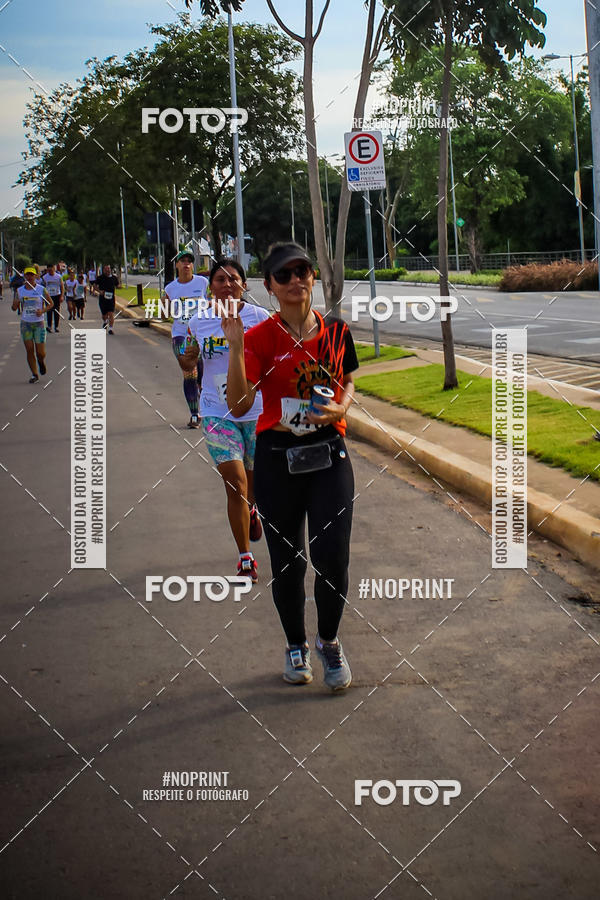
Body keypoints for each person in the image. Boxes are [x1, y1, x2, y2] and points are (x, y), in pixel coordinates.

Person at [222, 242, 358, 691]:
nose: (296, 280)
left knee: (333, 559)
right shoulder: (260, 337)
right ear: (271, 287)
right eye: (285, 275)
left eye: (303, 271)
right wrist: (237, 349)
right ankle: (296, 644)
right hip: (278, 458)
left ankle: (329, 640)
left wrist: (341, 409)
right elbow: (240, 403)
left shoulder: (337, 331)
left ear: (314, 279)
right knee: (288, 564)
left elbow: (349, 379)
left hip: (328, 455)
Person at [183, 258, 269, 583]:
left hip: (256, 410)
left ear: (244, 285)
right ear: (211, 287)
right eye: (220, 279)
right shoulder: (200, 321)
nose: (227, 283)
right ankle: (245, 557)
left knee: (253, 481)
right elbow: (191, 357)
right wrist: (186, 360)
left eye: (234, 278)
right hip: (217, 412)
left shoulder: (259, 318)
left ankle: (253, 509)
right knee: (235, 481)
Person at [164, 250, 208, 428]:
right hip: (181, 336)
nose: (186, 264)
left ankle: (207, 409)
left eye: (189, 261)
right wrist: (164, 308)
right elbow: (165, 312)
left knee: (203, 377)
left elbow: (212, 302)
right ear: (177, 265)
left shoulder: (203, 283)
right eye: (182, 261)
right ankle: (195, 414)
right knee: (190, 372)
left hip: (202, 335)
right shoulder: (170, 288)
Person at [12, 266, 53, 382]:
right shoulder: (19, 291)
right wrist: (15, 304)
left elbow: (51, 304)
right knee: (29, 350)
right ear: (25, 276)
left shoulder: (41, 290)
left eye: (32, 275)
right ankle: (34, 374)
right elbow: (14, 308)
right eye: (27, 275)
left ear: (36, 276)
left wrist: (42, 311)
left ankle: (41, 361)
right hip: (26, 324)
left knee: (40, 353)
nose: (30, 277)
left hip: (39, 323)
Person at [95, 264, 119, 333]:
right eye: (106, 269)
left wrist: (119, 286)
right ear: (103, 270)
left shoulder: (114, 278)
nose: (108, 270)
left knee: (111, 313)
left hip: (111, 299)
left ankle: (110, 329)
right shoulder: (100, 278)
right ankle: (105, 321)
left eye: (108, 269)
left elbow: (117, 285)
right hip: (103, 299)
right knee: (104, 315)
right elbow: (95, 285)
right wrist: (99, 291)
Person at [42, 263, 63, 332]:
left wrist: (62, 296)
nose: (50, 271)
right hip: (48, 296)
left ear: (54, 269)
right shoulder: (45, 277)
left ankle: (56, 326)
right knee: (49, 311)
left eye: (51, 270)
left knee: (56, 311)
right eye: (49, 270)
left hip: (57, 295)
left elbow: (62, 287)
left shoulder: (58, 277)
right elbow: (43, 287)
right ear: (47, 270)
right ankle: (49, 326)